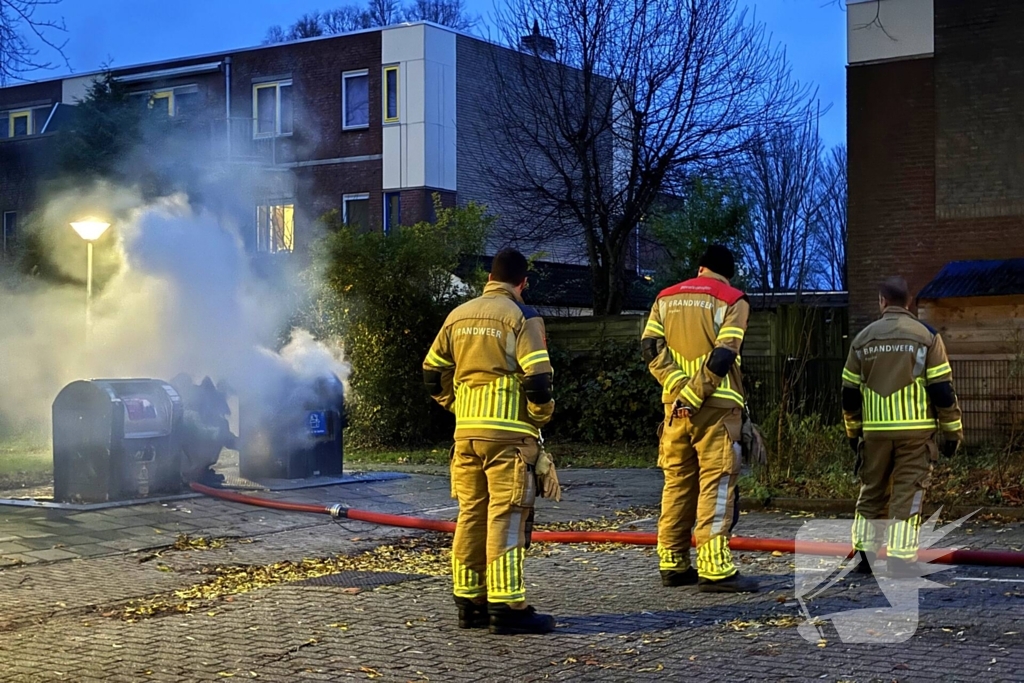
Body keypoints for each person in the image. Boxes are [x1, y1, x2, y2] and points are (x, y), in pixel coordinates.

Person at [423, 248, 561, 635]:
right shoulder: (523, 316)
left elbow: (432, 375)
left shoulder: (457, 316)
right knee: (508, 514)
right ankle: (507, 605)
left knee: (471, 514)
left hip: (466, 435)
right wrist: (539, 417)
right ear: (523, 283)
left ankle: (470, 602)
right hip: (508, 438)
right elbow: (537, 380)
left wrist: (459, 405)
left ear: (489, 278)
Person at [641, 245, 758, 593]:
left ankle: (673, 562)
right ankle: (715, 568)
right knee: (717, 485)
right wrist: (695, 393)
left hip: (673, 410)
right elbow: (725, 354)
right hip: (717, 409)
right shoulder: (733, 299)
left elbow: (650, 348)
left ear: (700, 267)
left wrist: (678, 388)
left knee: (677, 484)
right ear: (728, 273)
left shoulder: (665, 297)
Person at [842, 277, 963, 577]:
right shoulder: (927, 337)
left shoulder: (862, 340)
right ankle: (900, 559)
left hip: (875, 434)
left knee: (872, 491)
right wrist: (952, 432)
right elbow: (941, 391)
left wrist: (852, 432)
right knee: (907, 494)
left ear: (882, 301)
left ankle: (864, 557)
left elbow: (849, 394)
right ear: (909, 303)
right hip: (915, 434)